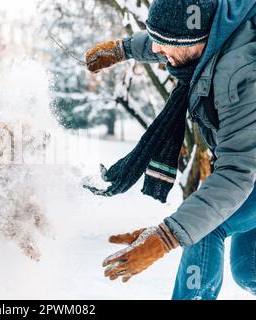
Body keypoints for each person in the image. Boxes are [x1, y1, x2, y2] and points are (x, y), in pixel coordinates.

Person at [84, 0, 256, 300]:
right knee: (249, 270)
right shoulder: (211, 32)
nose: (160, 56)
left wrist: (165, 237)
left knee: (204, 231)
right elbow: (165, 42)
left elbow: (236, 173)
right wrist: (122, 49)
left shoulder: (239, 74)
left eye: (166, 49)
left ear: (195, 41)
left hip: (247, 170)